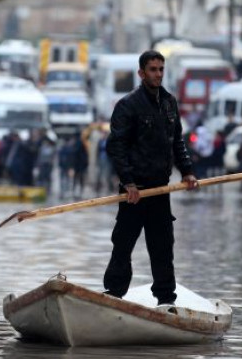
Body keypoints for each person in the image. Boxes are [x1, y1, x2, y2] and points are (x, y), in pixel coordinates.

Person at [103, 50, 198, 308]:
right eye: (152, 69)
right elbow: (116, 147)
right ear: (141, 73)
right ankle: (113, 294)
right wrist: (129, 182)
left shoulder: (169, 103)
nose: (157, 74)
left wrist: (187, 171)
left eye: (160, 69)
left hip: (159, 190)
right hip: (134, 192)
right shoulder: (128, 105)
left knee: (163, 247)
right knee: (122, 245)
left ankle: (166, 300)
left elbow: (177, 142)